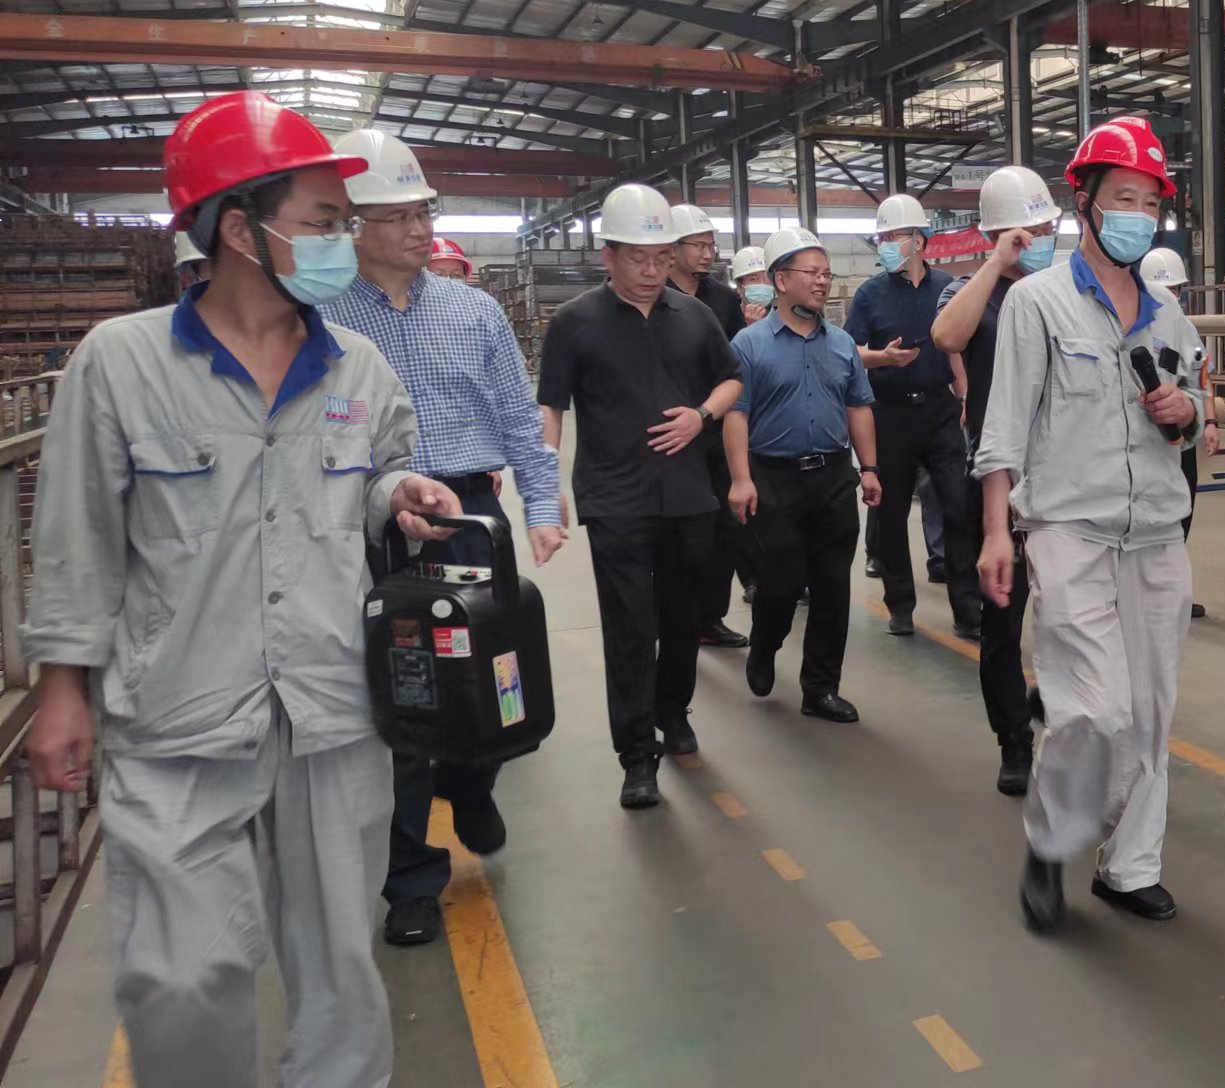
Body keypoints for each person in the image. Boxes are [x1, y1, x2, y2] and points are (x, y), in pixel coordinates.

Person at [23, 90, 461, 1088]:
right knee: (181, 977)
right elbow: (77, 533)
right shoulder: (122, 363)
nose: (340, 241)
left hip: (330, 706)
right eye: (322, 221)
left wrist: (400, 495)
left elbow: (381, 471)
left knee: (341, 966)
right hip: (179, 710)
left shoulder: (356, 366)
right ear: (237, 228)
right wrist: (61, 687)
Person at [320, 128, 567, 950]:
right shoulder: (320, 320)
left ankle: (474, 776)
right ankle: (411, 880)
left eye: (424, 212)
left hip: (467, 518)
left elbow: (519, 419)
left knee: (494, 676)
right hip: (370, 524)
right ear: (352, 226)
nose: (420, 229)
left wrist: (541, 507)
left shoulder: (474, 311)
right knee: (401, 702)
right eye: (397, 217)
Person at [975, 119, 1206, 933]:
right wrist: (997, 531)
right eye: (1123, 198)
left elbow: (1196, 410)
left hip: (1156, 533)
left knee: (1150, 714)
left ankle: (1130, 866)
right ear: (1085, 204)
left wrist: (1187, 412)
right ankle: (1052, 840)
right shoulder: (1036, 303)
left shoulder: (1169, 314)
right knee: (1094, 711)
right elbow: (1004, 427)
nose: (1138, 214)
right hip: (1069, 529)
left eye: (1150, 202)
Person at [537, 183, 741, 810]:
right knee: (630, 627)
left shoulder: (695, 316)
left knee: (682, 618)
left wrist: (701, 417)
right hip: (615, 497)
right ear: (609, 255)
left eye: (660, 258)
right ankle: (635, 755)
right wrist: (545, 488)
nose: (652, 271)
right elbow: (551, 407)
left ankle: (673, 712)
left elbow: (732, 381)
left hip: (689, 495)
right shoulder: (575, 323)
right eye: (638, 258)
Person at [933, 164, 1061, 795]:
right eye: (1028, 232)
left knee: (1072, 611)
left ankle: (1050, 701)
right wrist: (996, 264)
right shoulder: (971, 293)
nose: (1041, 240)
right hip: (999, 475)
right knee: (1004, 621)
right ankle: (1014, 740)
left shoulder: (1064, 290)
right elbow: (946, 336)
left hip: (1066, 474)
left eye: (1048, 229)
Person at [724, 227, 882, 723]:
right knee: (781, 582)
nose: (822, 281)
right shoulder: (748, 345)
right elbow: (736, 415)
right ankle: (764, 646)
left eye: (826, 273)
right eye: (811, 272)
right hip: (774, 478)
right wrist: (741, 479)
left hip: (833, 476)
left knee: (833, 586)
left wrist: (869, 468)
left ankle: (820, 688)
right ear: (780, 280)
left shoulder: (842, 344)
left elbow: (859, 406)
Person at [844, 192, 985, 640]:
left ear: (919, 241)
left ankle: (968, 609)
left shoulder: (947, 287)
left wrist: (964, 396)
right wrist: (882, 358)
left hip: (940, 411)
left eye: (895, 236)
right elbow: (849, 352)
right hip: (889, 413)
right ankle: (900, 605)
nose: (886, 245)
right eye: (882, 238)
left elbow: (955, 346)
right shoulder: (869, 294)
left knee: (959, 506)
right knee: (891, 512)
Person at [666, 202, 753, 652]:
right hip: (668, 432)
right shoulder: (652, 294)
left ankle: (709, 618)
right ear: (672, 247)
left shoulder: (722, 299)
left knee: (724, 528)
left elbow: (736, 364)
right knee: (678, 532)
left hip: (716, 427)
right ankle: (674, 615)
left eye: (711, 245)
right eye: (698, 245)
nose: (707, 253)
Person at [1138, 246, 1221, 620]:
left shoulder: (1183, 328)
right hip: (1144, 445)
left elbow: (1199, 379)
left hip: (1181, 443)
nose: (1170, 295)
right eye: (1164, 288)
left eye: (1175, 289)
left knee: (1180, 515)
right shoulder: (1131, 325)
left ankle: (1171, 593)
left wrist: (1210, 422)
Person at [730, 242, 774, 331]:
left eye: (767, 279)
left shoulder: (783, 318)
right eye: (753, 279)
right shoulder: (728, 318)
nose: (762, 284)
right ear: (739, 286)